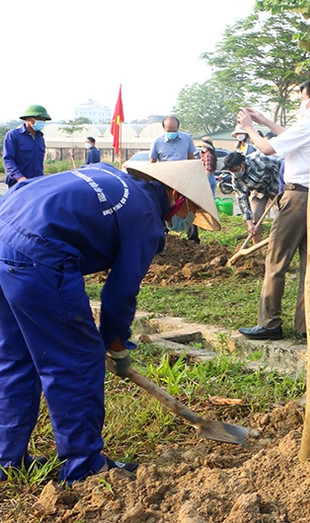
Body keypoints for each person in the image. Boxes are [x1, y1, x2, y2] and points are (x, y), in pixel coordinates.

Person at [0, 159, 220, 484]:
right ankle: (85, 466)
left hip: (5, 231)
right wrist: (115, 345)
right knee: (76, 361)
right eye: (191, 209)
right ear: (177, 196)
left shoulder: (106, 172)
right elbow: (120, 294)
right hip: (39, 253)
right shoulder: (146, 218)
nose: (188, 218)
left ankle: (6, 459)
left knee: (15, 357)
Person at [234, 98, 310, 341]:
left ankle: (269, 323)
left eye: (304, 101)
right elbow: (290, 136)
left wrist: (248, 127)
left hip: (298, 198)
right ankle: (306, 326)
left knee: (276, 260)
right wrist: (264, 120)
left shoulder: (309, 124)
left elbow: (266, 148)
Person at [150, 115, 199, 242]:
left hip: (184, 179)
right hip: (165, 181)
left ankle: (193, 238)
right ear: (163, 129)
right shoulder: (157, 142)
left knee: (188, 207)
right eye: (169, 130)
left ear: (178, 128)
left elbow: (191, 158)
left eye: (174, 130)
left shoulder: (187, 138)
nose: (172, 132)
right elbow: (152, 163)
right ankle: (163, 235)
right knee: (164, 207)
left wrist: (194, 176)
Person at [222, 152, 280, 245]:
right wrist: (249, 223)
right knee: (254, 217)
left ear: (242, 164)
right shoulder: (236, 180)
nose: (234, 173)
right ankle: (257, 248)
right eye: (231, 171)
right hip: (258, 192)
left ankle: (280, 243)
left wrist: (283, 182)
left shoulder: (258, 160)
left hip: (276, 187)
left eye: (236, 169)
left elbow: (281, 164)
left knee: (281, 215)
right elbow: (242, 200)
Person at [3, 105, 51, 188]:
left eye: (44, 120)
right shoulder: (13, 135)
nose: (42, 122)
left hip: (36, 182)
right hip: (18, 183)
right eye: (39, 119)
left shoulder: (40, 138)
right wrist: (20, 177)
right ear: (28, 119)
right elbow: (8, 159)